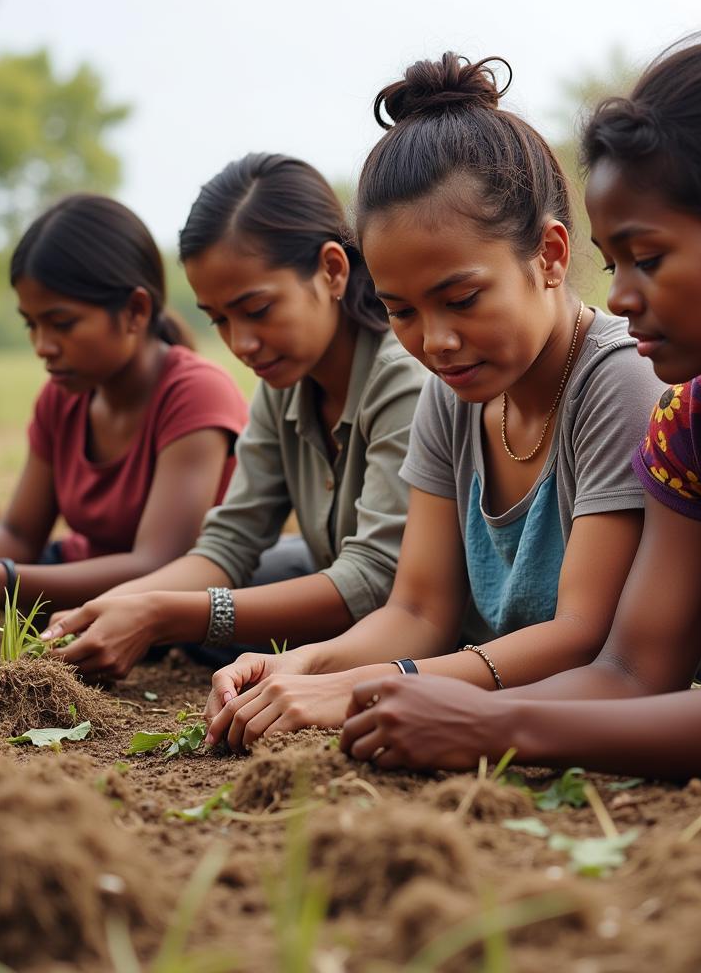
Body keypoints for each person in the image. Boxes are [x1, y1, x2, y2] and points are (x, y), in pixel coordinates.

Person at [337, 30, 701, 776]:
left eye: (648, 259)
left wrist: (492, 726)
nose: (620, 296)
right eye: (614, 261)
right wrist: (445, 705)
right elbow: (630, 673)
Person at [203, 54, 701, 751]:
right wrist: (301, 664)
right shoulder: (452, 396)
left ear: (551, 256)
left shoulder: (619, 378)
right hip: (536, 709)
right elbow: (417, 609)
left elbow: (581, 637)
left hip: (689, 716)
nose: (435, 341)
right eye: (400, 310)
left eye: (461, 299)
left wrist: (373, 685)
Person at [40, 154, 426, 681]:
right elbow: (230, 542)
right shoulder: (284, 384)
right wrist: (111, 606)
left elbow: (374, 577)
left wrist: (162, 615)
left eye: (258, 309)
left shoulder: (401, 377)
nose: (241, 343)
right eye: (219, 319)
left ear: (332, 270)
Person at [0, 195, 247, 620]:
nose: (42, 346)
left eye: (62, 323)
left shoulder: (196, 393)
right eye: (31, 324)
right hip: (74, 580)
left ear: (135, 311)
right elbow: (19, 533)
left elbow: (158, 563)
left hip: (169, 607)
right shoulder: (62, 398)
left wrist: (4, 582)